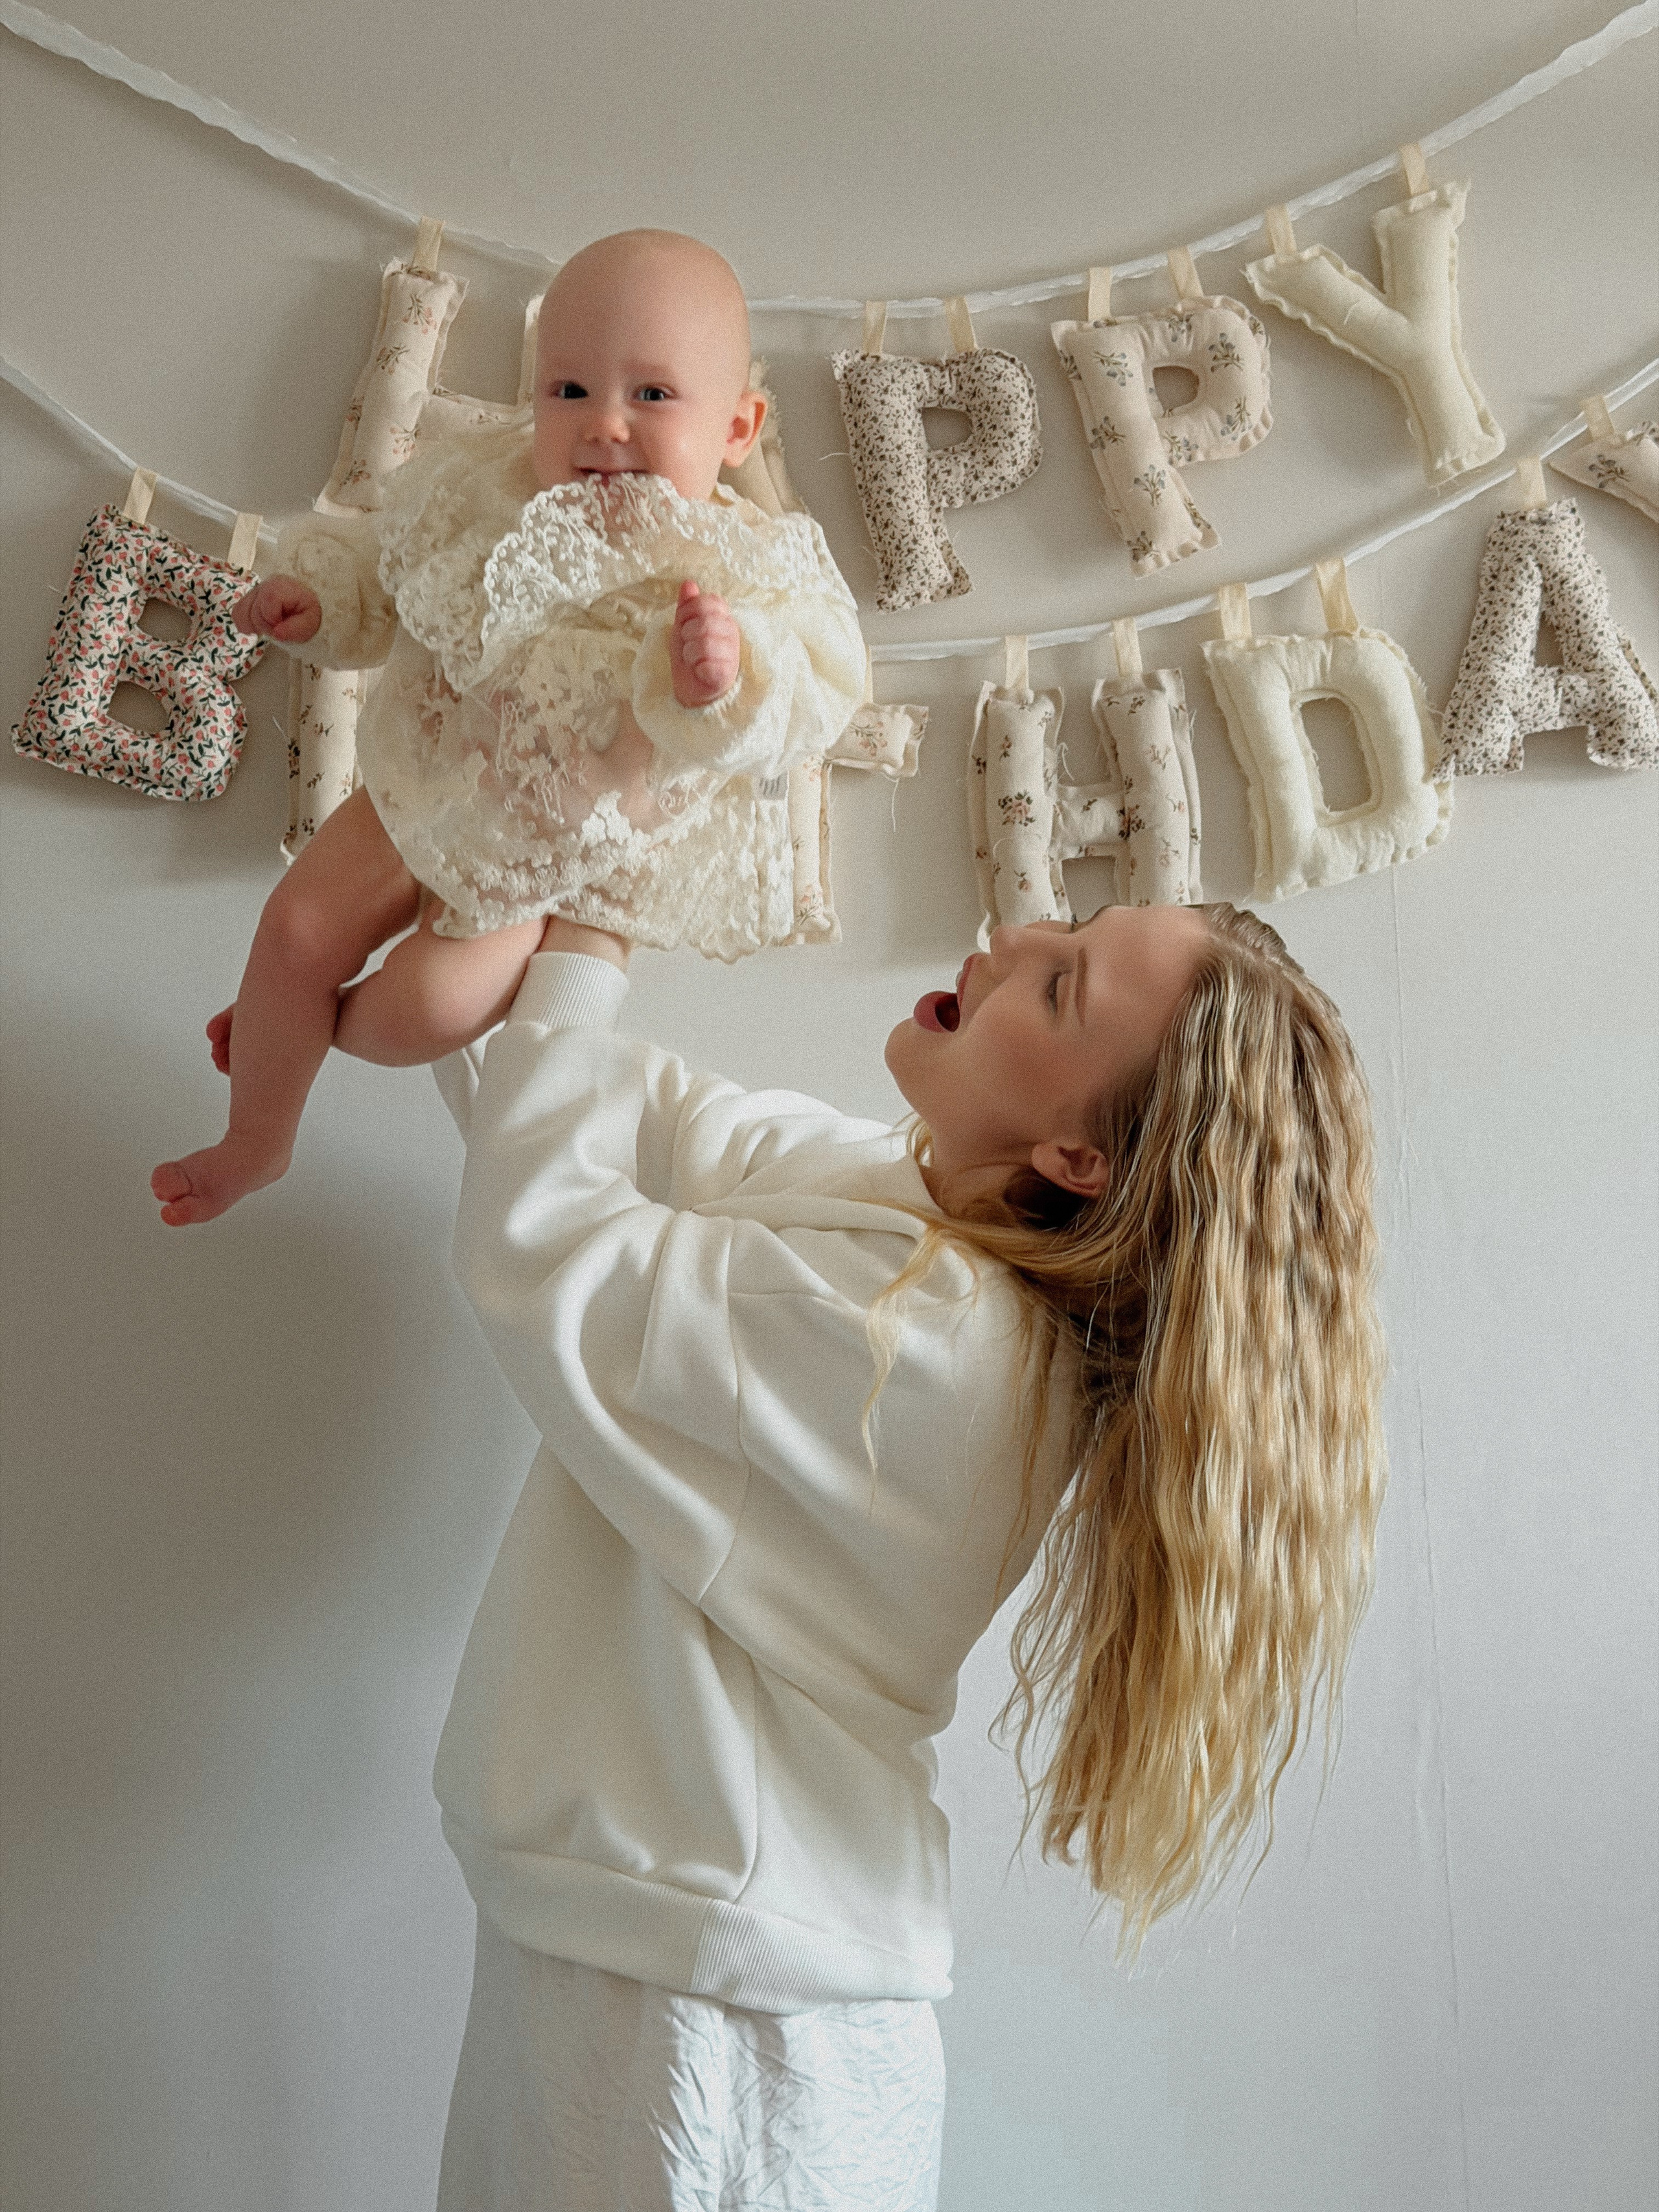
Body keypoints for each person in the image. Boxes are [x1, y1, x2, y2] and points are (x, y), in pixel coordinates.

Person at [416, 894, 1386, 2211]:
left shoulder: (928, 1343)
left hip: (717, 2007)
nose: (1013, 939)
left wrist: (588, 932)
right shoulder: (888, 1204)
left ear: (1078, 1155)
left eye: (1061, 987)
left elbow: (544, 1241)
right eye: (1066, 924)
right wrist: (469, 891)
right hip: (659, 1942)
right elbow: (584, 1101)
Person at [150, 229, 865, 1228]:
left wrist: (734, 673)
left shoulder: (753, 564)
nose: (603, 425)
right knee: (298, 926)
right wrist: (322, 598)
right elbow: (388, 557)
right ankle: (255, 1140)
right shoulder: (482, 488)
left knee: (427, 1011)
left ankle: (303, 1025)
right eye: (568, 391)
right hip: (432, 779)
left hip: (573, 860)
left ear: (739, 425)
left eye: (652, 396)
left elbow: (827, 682)